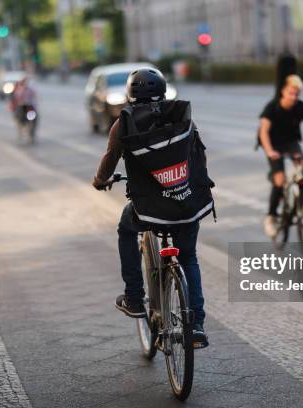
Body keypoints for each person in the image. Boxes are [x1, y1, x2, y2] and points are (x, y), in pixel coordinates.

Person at [92, 68, 213, 348]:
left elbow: (110, 159)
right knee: (189, 258)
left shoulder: (124, 123)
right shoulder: (181, 116)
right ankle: (196, 326)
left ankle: (134, 298)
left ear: (130, 93)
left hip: (149, 209)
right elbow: (198, 155)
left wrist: (100, 181)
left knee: (125, 227)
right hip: (185, 203)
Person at [258, 74, 303, 237]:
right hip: (273, 144)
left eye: (297, 94)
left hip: (291, 142)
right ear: (283, 91)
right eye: (291, 93)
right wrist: (270, 151)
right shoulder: (272, 107)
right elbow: (263, 131)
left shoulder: (301, 106)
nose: (293, 97)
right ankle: (270, 217)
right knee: (279, 179)